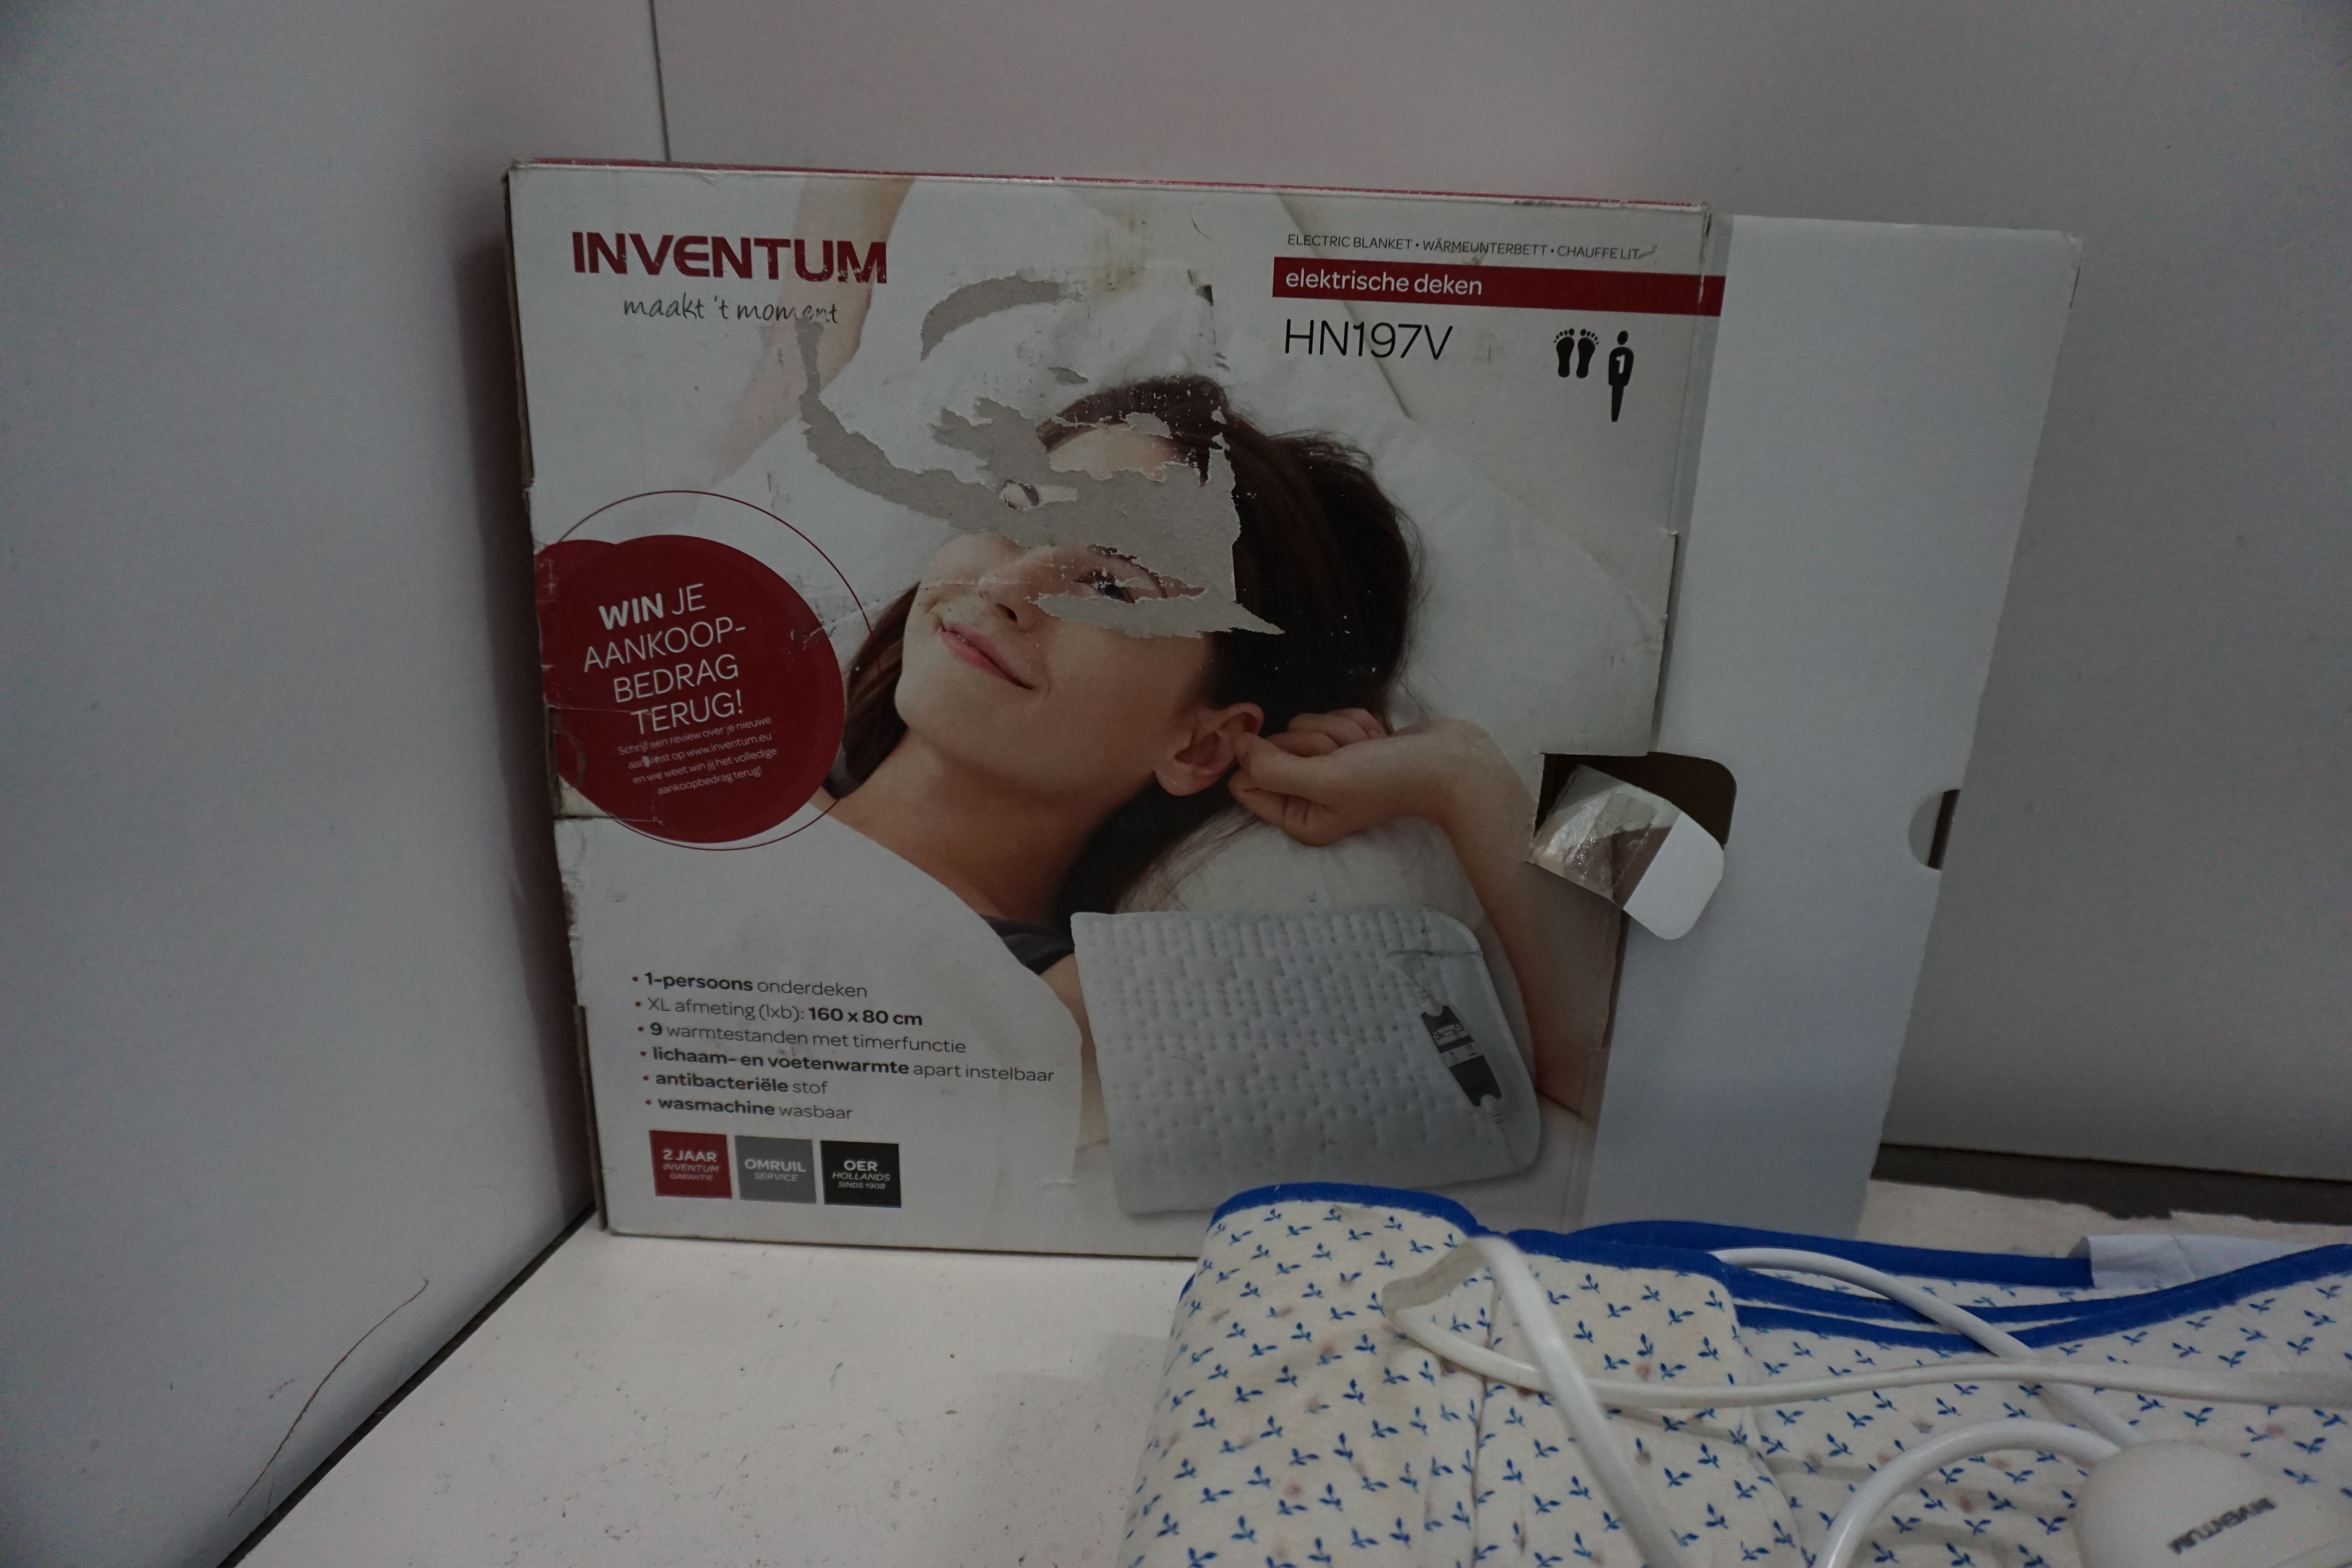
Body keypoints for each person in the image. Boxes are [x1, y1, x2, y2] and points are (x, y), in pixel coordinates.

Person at [814, 375, 1613, 1114]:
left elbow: (1605, 1095)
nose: (1006, 586)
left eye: (1110, 587)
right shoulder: (744, 750)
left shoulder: (1052, 1012)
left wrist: (1462, 773)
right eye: (1016, 514)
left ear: (1200, 746)